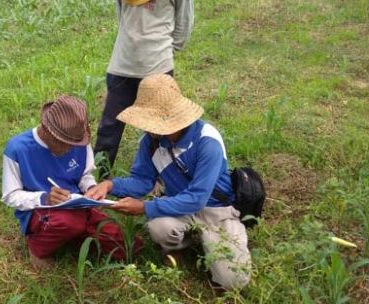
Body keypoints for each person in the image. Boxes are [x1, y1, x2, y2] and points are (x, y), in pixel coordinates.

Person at [87, 74, 251, 290]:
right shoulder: (151, 142)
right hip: (179, 206)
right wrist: (110, 185)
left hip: (216, 210)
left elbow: (197, 198)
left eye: (150, 122)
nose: (146, 128)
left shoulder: (207, 141)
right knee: (159, 228)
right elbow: (143, 181)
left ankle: (215, 239)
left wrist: (145, 207)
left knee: (234, 281)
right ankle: (183, 245)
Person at [94, 0, 194, 178]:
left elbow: (184, 23)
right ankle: (96, 183)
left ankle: (160, 183)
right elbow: (122, 14)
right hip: (122, 64)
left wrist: (161, 51)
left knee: (161, 130)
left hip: (158, 67)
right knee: (109, 129)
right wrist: (134, 42)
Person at [1, 95, 138, 268]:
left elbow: (85, 174)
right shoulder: (17, 149)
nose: (69, 149)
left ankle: (73, 237)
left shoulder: (77, 138)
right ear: (46, 129)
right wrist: (44, 198)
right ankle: (38, 247)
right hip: (41, 211)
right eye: (64, 143)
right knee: (69, 223)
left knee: (127, 246)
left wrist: (91, 188)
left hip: (77, 206)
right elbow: (10, 195)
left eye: (74, 143)